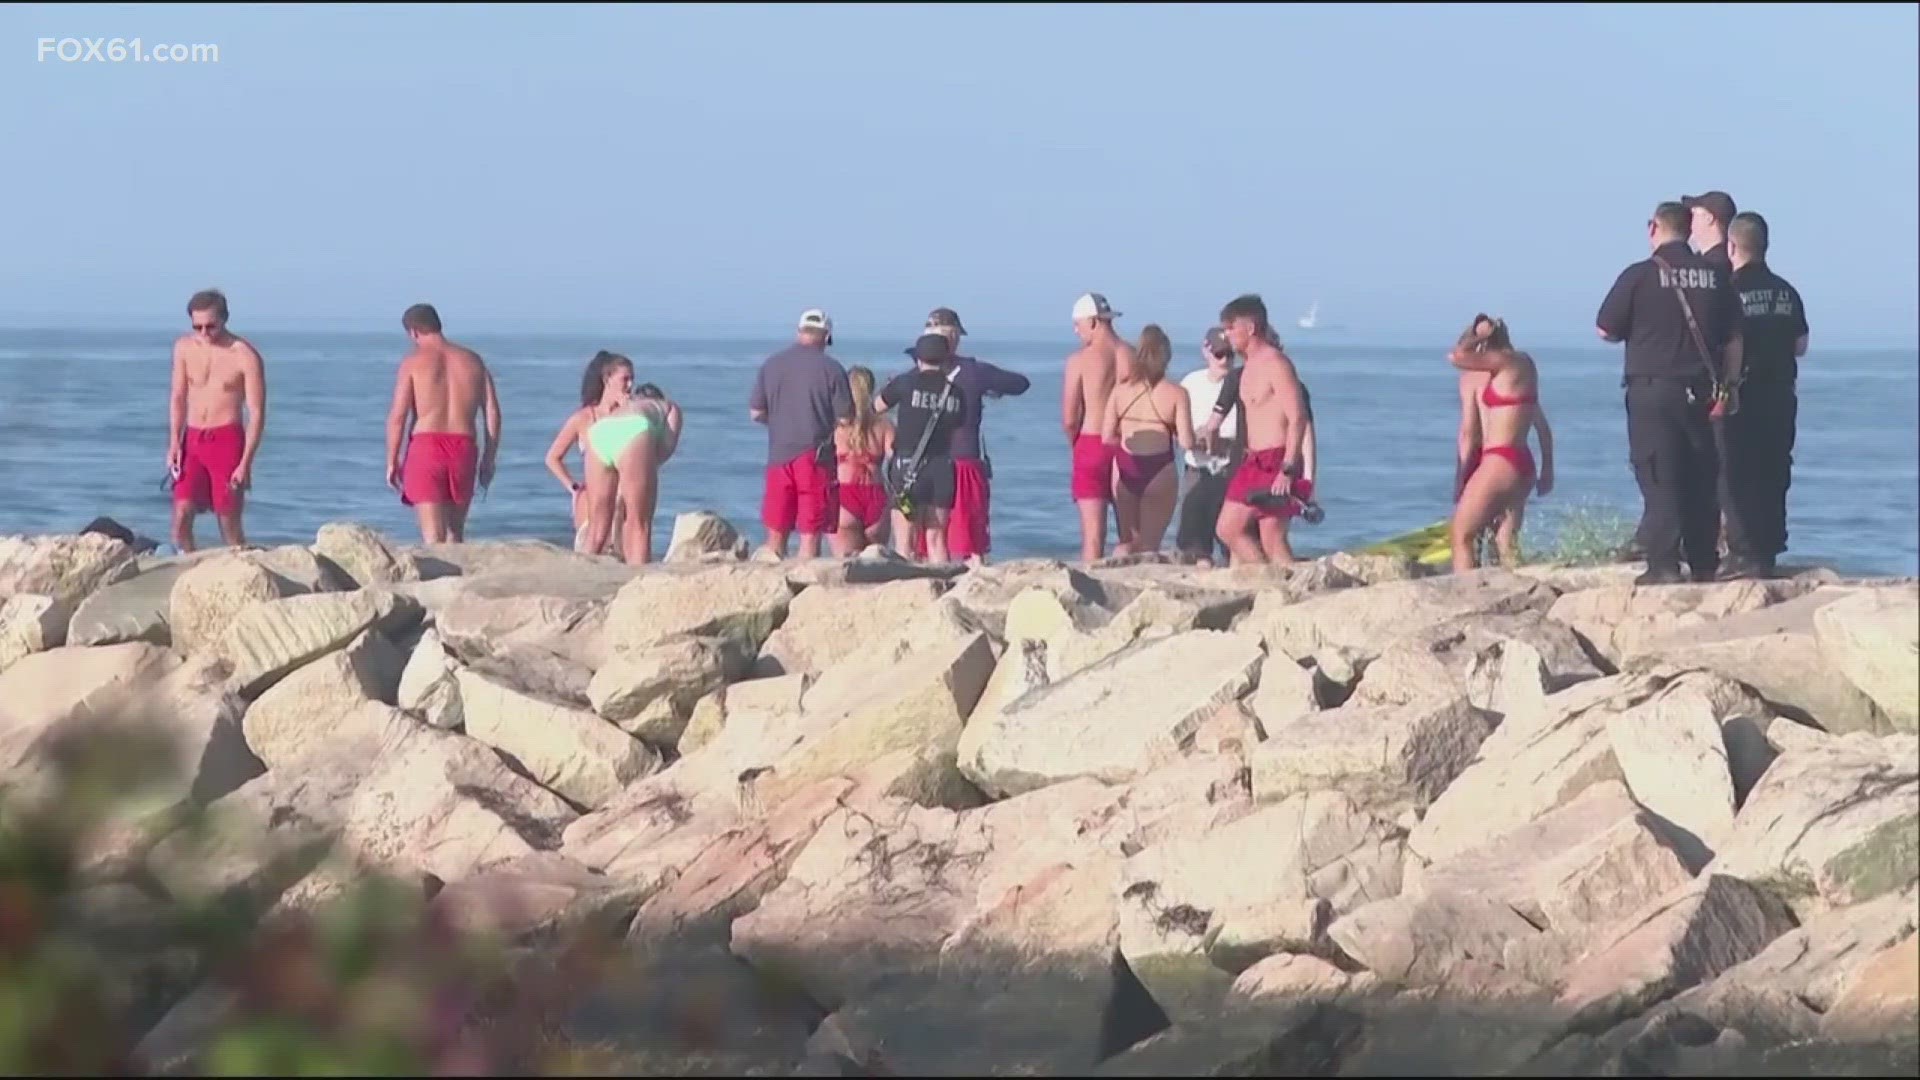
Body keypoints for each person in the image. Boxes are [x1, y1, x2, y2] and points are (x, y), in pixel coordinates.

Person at [1596, 201, 1745, 585]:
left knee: (1659, 472)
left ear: (1653, 229)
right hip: (1701, 391)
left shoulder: (1639, 276)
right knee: (1700, 474)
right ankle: (1703, 562)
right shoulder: (1714, 276)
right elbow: (1734, 340)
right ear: (1689, 230)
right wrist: (1728, 388)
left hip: (1653, 388)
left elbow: (1606, 330)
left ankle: (1663, 564)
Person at [899, 307, 1030, 565]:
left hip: (924, 463)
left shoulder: (913, 376)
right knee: (971, 543)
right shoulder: (974, 372)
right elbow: (1020, 384)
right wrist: (991, 388)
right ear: (954, 337)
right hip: (964, 461)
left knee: (927, 540)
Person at [1720, 211, 1809, 579]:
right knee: (1775, 469)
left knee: (1736, 471)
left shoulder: (1730, 290)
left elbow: (1728, 343)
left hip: (1745, 392)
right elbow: (1800, 345)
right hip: (1782, 394)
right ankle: (1770, 546)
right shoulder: (1788, 290)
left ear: (1731, 246)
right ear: (1765, 246)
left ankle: (1744, 551)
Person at [384, 303, 501, 544]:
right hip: (464, 447)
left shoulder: (413, 363)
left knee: (433, 537)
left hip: (427, 447)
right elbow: (492, 412)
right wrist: (489, 458)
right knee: (455, 535)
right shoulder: (473, 361)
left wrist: (392, 460)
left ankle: (439, 579)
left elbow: (398, 417)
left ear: (413, 332)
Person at [1448, 315, 1556, 571]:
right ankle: (1515, 592)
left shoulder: (1502, 366)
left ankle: (1468, 597)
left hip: (1498, 461)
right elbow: (1542, 426)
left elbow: (1457, 356)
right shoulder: (1521, 369)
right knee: (1506, 541)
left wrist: (1461, 477)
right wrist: (1547, 470)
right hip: (1522, 462)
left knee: (1462, 536)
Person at [1213, 294, 1312, 566]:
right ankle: (1272, 583)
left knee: (1270, 536)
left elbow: (1298, 417)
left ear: (1251, 328)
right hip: (1253, 460)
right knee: (1230, 529)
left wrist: (1288, 469)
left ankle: (1280, 589)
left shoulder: (1276, 364)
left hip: (1277, 459)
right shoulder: (1246, 369)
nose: (1227, 334)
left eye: (1231, 327)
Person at [749, 308, 853, 561]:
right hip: (815, 455)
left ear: (799, 332)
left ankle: (773, 580)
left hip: (779, 453)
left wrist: (781, 423)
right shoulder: (832, 369)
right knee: (810, 530)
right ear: (827, 336)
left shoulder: (772, 364)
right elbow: (846, 418)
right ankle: (805, 584)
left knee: (776, 528)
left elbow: (756, 412)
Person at [167, 289, 266, 553]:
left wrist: (245, 463)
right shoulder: (184, 348)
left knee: (228, 521)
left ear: (225, 319)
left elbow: (256, 413)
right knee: (181, 514)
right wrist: (174, 443)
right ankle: (188, 565)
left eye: (210, 326)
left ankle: (242, 568)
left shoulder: (244, 355)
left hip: (227, 440)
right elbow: (178, 396)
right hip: (193, 439)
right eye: (197, 326)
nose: (204, 333)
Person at [1101, 324, 1195, 557]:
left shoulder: (1120, 390)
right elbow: (1186, 442)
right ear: (1167, 356)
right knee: (1149, 546)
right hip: (1159, 469)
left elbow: (1107, 436)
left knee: (1126, 542)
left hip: (1125, 466)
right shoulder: (1176, 393)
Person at [1060, 292, 1136, 563]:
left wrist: (1075, 443)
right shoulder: (1131, 355)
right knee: (1130, 535)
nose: (1076, 331)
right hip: (1127, 443)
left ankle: (1091, 589)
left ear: (1093, 322)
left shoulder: (1080, 360)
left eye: (1078, 325)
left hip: (1091, 441)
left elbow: (1069, 417)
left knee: (1093, 536)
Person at [877, 333, 966, 563]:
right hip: (942, 468)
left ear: (918, 359)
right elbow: (958, 424)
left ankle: (907, 591)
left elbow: (876, 407)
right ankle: (942, 587)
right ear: (946, 361)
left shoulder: (905, 382)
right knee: (936, 538)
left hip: (908, 465)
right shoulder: (956, 393)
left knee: (904, 542)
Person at [579, 379, 683, 565]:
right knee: (639, 523)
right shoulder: (668, 407)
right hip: (635, 430)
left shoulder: (623, 408)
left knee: (596, 528)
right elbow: (665, 450)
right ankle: (639, 578)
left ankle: (581, 572)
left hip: (599, 432)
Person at [543, 350, 634, 554]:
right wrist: (574, 487)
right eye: (625, 379)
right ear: (607, 380)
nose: (630, 386)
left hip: (624, 497)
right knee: (591, 548)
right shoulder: (584, 418)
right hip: (593, 497)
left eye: (632, 380)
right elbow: (553, 458)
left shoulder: (631, 415)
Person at [1177, 328, 1241, 565]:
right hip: (1198, 468)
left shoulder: (1240, 382)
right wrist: (1194, 439)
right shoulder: (1191, 383)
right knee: (1194, 544)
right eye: (1219, 354)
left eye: (1230, 355)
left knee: (1233, 540)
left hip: (1231, 469)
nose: (1224, 360)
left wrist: (1224, 443)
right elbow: (1177, 425)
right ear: (1206, 351)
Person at [833, 365, 895, 554]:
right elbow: (896, 462)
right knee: (876, 564)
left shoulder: (837, 426)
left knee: (845, 566)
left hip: (844, 495)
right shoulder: (884, 424)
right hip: (876, 495)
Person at [1684, 190, 1738, 273]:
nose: (1689, 219)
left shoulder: (1701, 267)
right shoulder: (1736, 262)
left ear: (1709, 218)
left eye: (1693, 213)